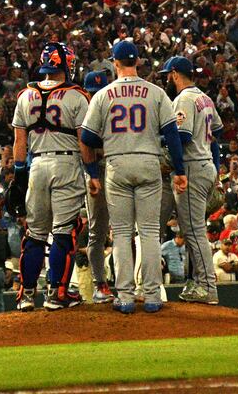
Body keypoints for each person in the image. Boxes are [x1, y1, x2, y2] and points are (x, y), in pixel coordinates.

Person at [80, 39, 185, 313]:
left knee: (123, 234)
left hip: (117, 163)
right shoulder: (156, 92)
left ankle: (125, 296)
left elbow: (87, 137)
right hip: (149, 161)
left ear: (115, 63)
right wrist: (180, 170)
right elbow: (172, 134)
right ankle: (151, 295)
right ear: (137, 61)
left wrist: (94, 169)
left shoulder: (103, 95)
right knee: (149, 233)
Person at [9, 41, 91, 310]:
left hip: (36, 166)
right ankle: (57, 294)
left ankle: (27, 295)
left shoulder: (25, 95)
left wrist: (19, 174)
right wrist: (92, 171)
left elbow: (19, 142)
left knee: (35, 233)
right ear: (65, 64)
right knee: (63, 231)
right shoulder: (77, 96)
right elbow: (84, 140)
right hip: (66, 163)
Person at [161, 55, 222, 304]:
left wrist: (160, 139)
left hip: (193, 167)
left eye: (168, 74)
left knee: (194, 231)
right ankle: (200, 283)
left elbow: (182, 136)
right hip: (206, 165)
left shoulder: (184, 99)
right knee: (195, 229)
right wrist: (216, 171)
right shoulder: (205, 98)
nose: (167, 78)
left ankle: (207, 286)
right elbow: (216, 135)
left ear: (175, 74)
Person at [81, 67, 115, 304]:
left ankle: (126, 285)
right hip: (94, 171)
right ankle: (100, 284)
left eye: (99, 91)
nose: (96, 95)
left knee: (124, 232)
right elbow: (84, 146)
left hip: (115, 169)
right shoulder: (84, 112)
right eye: (93, 91)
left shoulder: (114, 110)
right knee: (98, 231)